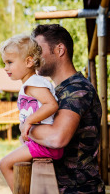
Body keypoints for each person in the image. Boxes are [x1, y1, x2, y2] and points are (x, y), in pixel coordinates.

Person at [25, 24, 105, 193]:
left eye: (38, 50)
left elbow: (56, 138)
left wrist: (27, 127)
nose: (34, 56)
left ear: (60, 50)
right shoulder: (58, 91)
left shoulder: (77, 89)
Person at [0, 34, 64, 192]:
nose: (6, 68)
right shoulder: (32, 83)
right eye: (5, 63)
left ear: (28, 62)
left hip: (45, 145)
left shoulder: (33, 84)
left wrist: (28, 122)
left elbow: (51, 105)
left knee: (4, 164)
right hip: (40, 143)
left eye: (10, 62)